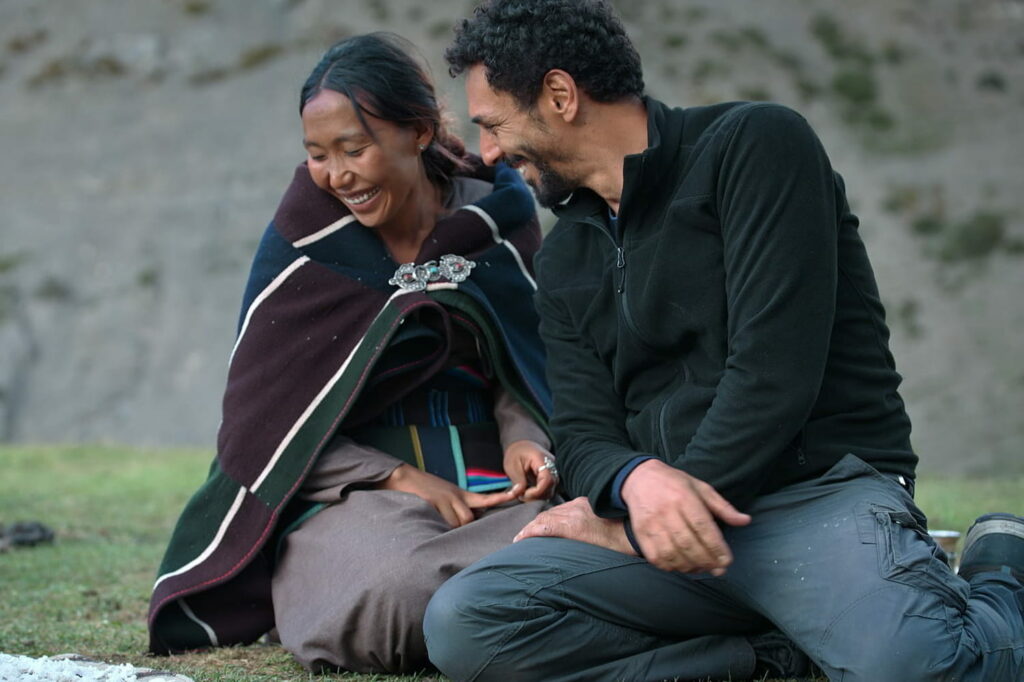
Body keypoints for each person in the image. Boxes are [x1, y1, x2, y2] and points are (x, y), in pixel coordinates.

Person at [423, 2, 1024, 681]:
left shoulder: (756, 147)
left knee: (911, 667)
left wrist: (634, 529)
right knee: (468, 620)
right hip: (669, 537)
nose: (491, 151)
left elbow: (772, 379)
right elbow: (584, 433)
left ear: (560, 96)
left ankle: (1001, 575)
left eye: (494, 124)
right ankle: (778, 658)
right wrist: (633, 478)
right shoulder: (566, 258)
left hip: (815, 497)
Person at [147, 32, 559, 674]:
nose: (336, 175)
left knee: (588, 537)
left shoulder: (497, 220)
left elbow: (527, 362)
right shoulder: (305, 241)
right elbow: (265, 423)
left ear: (418, 131)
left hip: (492, 486)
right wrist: (394, 477)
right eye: (317, 155)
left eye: (353, 149)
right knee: (391, 591)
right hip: (353, 491)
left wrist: (524, 439)